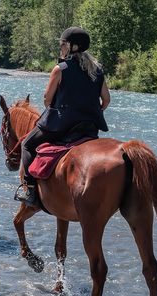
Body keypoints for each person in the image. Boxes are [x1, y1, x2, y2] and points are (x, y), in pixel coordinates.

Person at [16, 27, 110, 207]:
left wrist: (56, 110)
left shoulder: (60, 69)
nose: (61, 47)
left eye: (63, 44)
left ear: (73, 47)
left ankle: (29, 190)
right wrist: (91, 111)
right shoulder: (97, 70)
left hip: (62, 126)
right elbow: (106, 100)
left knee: (26, 144)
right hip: (89, 127)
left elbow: (46, 99)